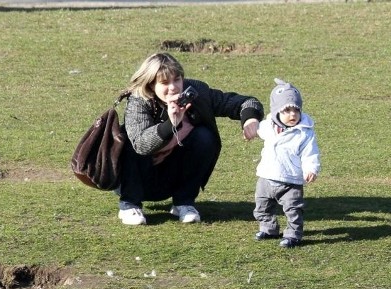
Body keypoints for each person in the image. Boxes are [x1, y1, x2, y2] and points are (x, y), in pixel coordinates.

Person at [117, 52, 263, 225]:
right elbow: (141, 145)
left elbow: (244, 102)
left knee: (204, 136)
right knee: (128, 142)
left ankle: (184, 202)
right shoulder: (139, 101)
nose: (173, 87)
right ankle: (129, 205)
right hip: (139, 177)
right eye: (164, 83)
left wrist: (250, 119)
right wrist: (170, 124)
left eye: (177, 80)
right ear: (150, 85)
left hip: (171, 176)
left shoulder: (196, 92)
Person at [253, 78, 320, 248]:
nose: (292, 115)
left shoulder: (304, 133)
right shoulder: (268, 127)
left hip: (291, 181)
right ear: (276, 111)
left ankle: (293, 234)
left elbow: (310, 153)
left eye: (296, 110)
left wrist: (311, 168)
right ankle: (268, 228)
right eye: (287, 110)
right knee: (262, 207)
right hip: (266, 177)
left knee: (293, 210)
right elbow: (257, 129)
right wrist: (250, 129)